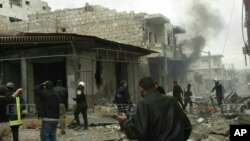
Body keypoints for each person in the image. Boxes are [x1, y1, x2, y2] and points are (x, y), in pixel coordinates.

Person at [117, 77, 192, 141]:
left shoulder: (143, 103)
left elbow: (140, 134)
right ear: (154, 86)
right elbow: (187, 126)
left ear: (141, 88)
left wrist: (125, 121)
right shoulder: (172, 100)